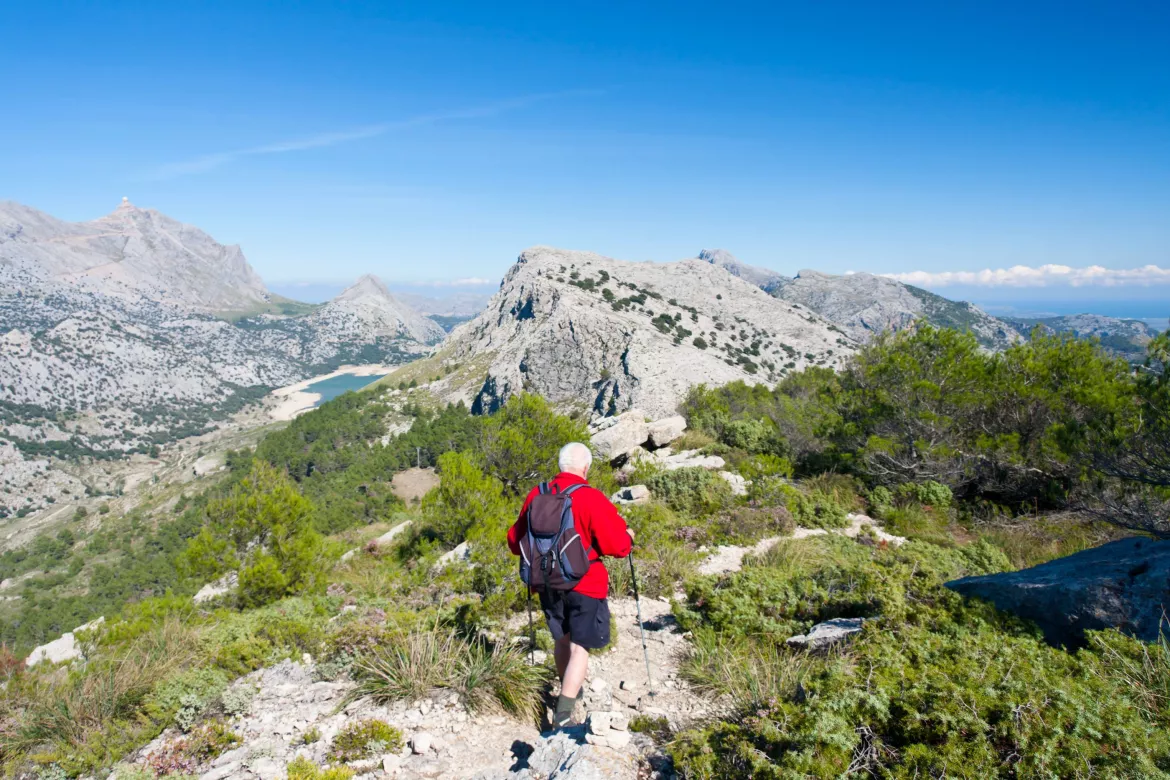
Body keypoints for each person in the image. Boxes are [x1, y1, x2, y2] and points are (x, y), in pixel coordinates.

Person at [507, 441, 633, 728]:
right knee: (580, 648)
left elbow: (515, 541)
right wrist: (630, 538)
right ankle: (563, 715)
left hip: (547, 583)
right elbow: (617, 545)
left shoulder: (537, 495)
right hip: (585, 585)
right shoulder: (590, 497)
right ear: (585, 468)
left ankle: (568, 692)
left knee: (562, 641)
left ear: (560, 466)